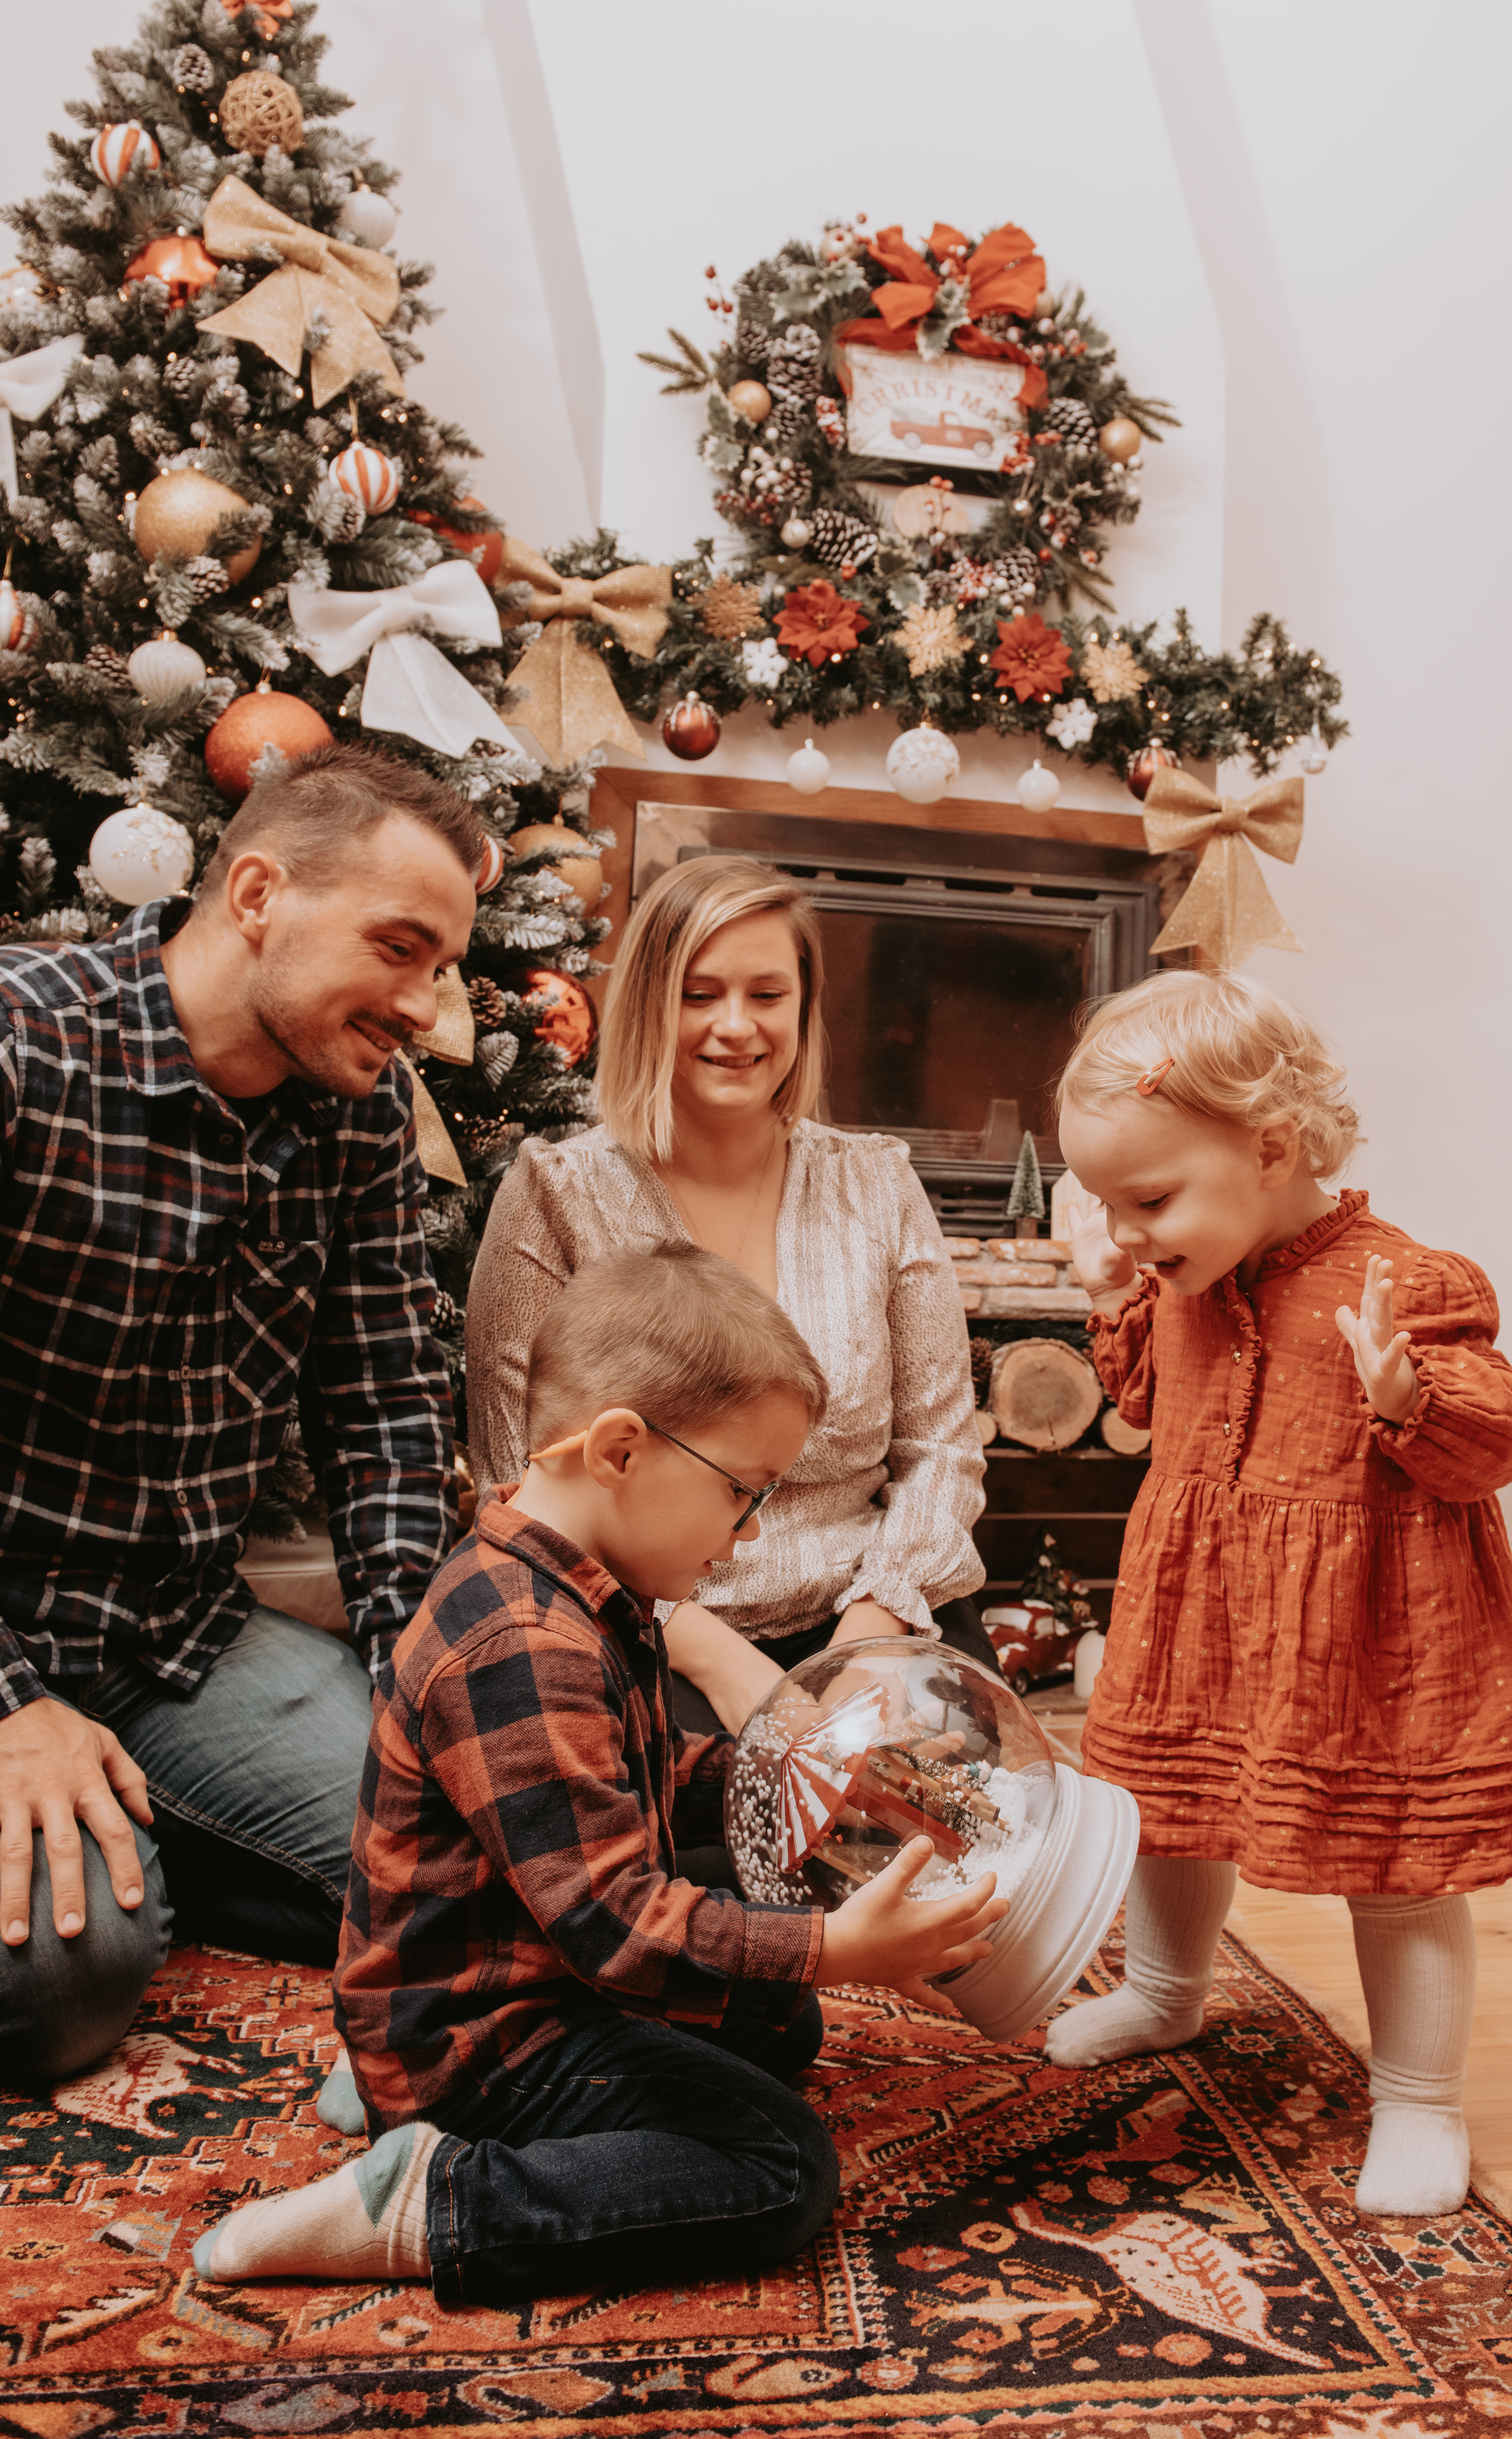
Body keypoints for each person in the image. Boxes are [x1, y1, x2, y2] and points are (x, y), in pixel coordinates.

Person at [192, 1243, 1005, 2300]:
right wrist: (835, 1944)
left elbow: (644, 1779)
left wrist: (818, 1777)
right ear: (621, 1448)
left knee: (778, 2019)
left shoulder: (573, 1593)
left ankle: (397, 2087)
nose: (748, 1531)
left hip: (495, 1983)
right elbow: (617, 1926)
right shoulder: (522, 1642)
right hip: (488, 2032)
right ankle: (433, 2193)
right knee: (780, 2164)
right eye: (743, 1491)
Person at [0, 741, 480, 2080]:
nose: (426, 1009)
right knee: (59, 1988)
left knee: (470, 1873)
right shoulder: (22, 1044)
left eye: (440, 966)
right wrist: (8, 1707)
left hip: (181, 1635)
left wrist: (414, 1686)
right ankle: (130, 1864)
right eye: (399, 948)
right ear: (257, 893)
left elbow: (387, 1417)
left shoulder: (363, 1114)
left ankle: (153, 1847)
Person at [1044, 969, 1512, 2218]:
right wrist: (1117, 1290)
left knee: (1400, 1865)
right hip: (1204, 1606)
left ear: (1270, 1147)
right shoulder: (1183, 1281)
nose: (1128, 1232)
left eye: (1148, 1199)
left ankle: (1422, 2099)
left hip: (1373, 1633)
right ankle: (1166, 1991)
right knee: (1172, 1803)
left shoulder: (1413, 1283)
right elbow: (1152, 1401)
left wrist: (1407, 1398)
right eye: (1110, 1205)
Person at [465, 855, 991, 1753]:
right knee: (721, 1862)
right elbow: (518, 1482)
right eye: (699, 994)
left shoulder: (880, 1183)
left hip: (872, 1610)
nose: (737, 1027)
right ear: (646, 1005)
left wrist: (867, 1642)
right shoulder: (553, 1193)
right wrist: (710, 1656)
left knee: (970, 1819)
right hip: (641, 1633)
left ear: (802, 1007)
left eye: (768, 994)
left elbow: (942, 1449)